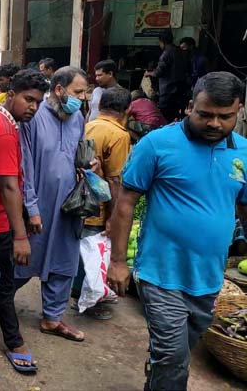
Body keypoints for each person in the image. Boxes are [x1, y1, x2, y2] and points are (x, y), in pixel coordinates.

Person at [108, 72, 246, 391]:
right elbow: (126, 202)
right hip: (160, 270)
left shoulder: (243, 153)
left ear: (238, 111)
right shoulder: (158, 144)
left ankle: (157, 373)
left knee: (181, 347)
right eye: (205, 114)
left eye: (225, 117)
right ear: (189, 107)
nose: (214, 123)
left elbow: (244, 207)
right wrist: (118, 262)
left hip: (208, 276)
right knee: (173, 355)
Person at [0, 69, 50, 373]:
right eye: (29, 99)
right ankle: (14, 341)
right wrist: (20, 235)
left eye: (38, 102)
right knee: (3, 286)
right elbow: (9, 187)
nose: (33, 106)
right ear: (12, 94)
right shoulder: (5, 130)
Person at [18, 66, 89, 342]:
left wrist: (87, 165)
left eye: (84, 93)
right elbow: (26, 165)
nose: (82, 98)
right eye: (77, 92)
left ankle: (53, 318)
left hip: (69, 204)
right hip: (39, 204)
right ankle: (1, 300)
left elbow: (77, 152)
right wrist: (31, 207)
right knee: (24, 258)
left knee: (64, 259)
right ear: (59, 90)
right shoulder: (34, 118)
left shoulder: (78, 119)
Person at [74, 86, 132, 320]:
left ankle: (76, 294)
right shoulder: (119, 135)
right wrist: (113, 216)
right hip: (96, 206)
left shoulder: (88, 125)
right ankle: (89, 300)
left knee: (79, 251)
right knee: (94, 256)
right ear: (127, 110)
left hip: (77, 201)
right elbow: (114, 180)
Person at [145, 29, 191, 122]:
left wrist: (149, 73)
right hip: (180, 89)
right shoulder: (180, 52)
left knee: (164, 116)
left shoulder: (166, 54)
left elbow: (158, 72)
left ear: (162, 42)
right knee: (176, 115)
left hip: (168, 91)